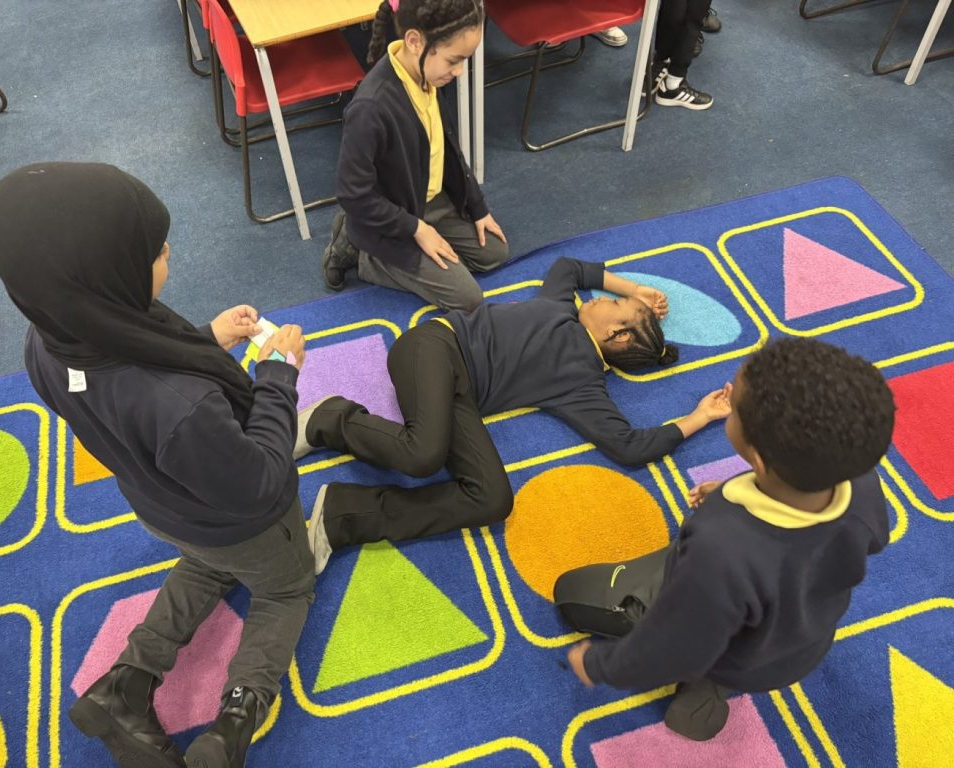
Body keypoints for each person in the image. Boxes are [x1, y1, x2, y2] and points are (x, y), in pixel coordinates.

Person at [0, 162, 315, 768]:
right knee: (287, 588)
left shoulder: (48, 341)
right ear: (105, 280)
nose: (167, 252)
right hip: (244, 520)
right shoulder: (180, 407)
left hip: (163, 508)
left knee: (208, 563)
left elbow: (135, 376)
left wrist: (205, 339)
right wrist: (277, 377)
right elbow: (260, 482)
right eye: (154, 251)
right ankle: (234, 719)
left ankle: (126, 681)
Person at [295, 256, 732, 574]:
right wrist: (633, 290)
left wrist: (701, 416)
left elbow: (629, 446)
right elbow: (568, 268)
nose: (601, 299)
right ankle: (329, 420)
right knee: (423, 454)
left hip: (460, 394)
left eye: (613, 304)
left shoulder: (583, 386)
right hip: (435, 346)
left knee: (492, 499)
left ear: (616, 334)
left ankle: (343, 515)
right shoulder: (561, 306)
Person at [560, 338, 895, 741]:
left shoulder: (721, 546)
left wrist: (599, 665)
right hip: (802, 644)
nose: (730, 394)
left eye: (736, 406)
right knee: (724, 628)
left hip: (728, 649)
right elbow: (863, 536)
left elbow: (670, 643)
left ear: (759, 460)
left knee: (570, 593)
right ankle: (709, 682)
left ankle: (704, 683)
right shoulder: (859, 480)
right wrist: (730, 490)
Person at [323, 0, 510, 312]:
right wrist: (417, 229)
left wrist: (477, 207)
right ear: (414, 42)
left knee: (495, 252)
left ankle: (398, 242)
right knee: (468, 299)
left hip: (427, 198)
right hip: (395, 219)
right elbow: (352, 194)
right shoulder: (370, 108)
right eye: (453, 60)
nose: (459, 71)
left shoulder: (429, 73)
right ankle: (362, 251)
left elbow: (447, 146)